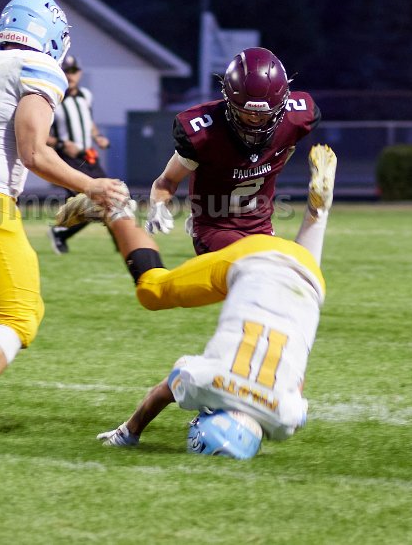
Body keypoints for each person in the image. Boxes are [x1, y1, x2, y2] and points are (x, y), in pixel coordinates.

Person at [0, 0, 131, 448]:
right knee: (18, 315)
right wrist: (91, 186)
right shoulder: (37, 67)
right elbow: (34, 152)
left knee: (18, 310)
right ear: (51, 36)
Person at [56, 144, 336, 458]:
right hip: (253, 259)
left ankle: (317, 213)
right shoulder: (206, 383)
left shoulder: (285, 420)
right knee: (152, 291)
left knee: (301, 291)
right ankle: (116, 208)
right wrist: (129, 432)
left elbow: (297, 381)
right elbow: (162, 393)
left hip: (308, 276)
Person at [145, 47, 320, 255]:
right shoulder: (204, 132)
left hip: (261, 228)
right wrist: (158, 205)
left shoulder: (295, 120)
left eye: (263, 114)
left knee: (288, 268)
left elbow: (284, 150)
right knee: (252, 265)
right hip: (216, 229)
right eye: (247, 113)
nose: (255, 119)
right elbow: (167, 180)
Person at [46, 54, 112, 254]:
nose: (70, 75)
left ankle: (123, 245)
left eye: (74, 71)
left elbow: (88, 121)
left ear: (80, 73)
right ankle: (61, 232)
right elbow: (39, 134)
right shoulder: (52, 98)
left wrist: (98, 137)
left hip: (89, 156)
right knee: (89, 203)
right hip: (68, 159)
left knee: (111, 196)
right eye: (66, 71)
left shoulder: (85, 95)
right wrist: (61, 144)